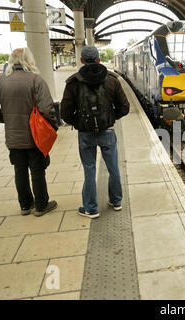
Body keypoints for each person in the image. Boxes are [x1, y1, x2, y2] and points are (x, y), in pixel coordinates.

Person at [0, 48, 58, 216]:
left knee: (19, 170)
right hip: (34, 136)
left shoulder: (0, 81)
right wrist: (53, 126)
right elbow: (47, 108)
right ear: (28, 60)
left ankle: (25, 205)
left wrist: (4, 118)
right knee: (37, 170)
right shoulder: (35, 80)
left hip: (13, 137)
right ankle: (41, 205)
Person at [60, 46, 130, 219]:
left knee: (89, 168)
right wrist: (111, 117)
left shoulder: (73, 82)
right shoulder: (112, 80)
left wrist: (78, 122)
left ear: (82, 61)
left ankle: (91, 208)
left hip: (85, 133)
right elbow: (125, 107)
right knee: (113, 167)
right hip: (107, 131)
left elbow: (65, 112)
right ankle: (116, 201)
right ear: (99, 59)